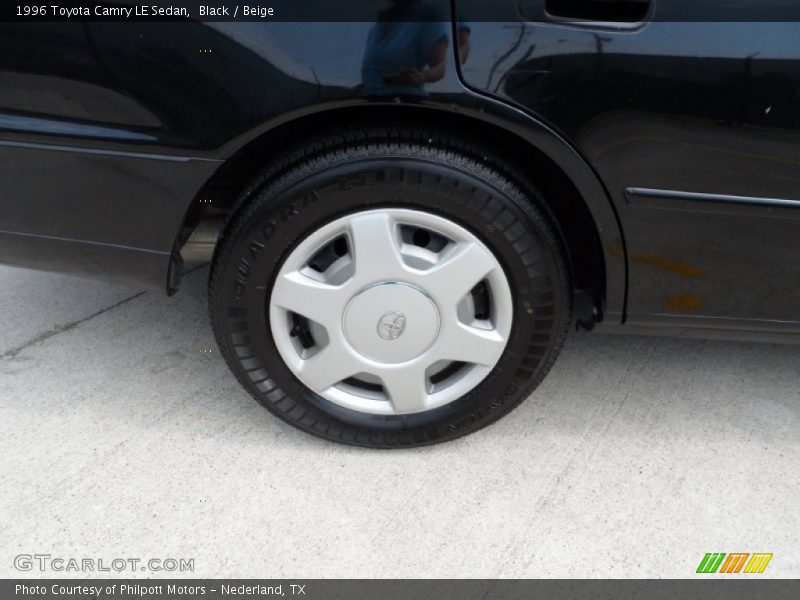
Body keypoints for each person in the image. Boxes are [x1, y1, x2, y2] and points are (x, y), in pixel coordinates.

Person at [360, 0, 449, 96]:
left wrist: (419, 76)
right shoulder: (375, 28)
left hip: (406, 100)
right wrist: (354, 90)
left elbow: (440, 67)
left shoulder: (427, 16)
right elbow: (375, 78)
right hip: (367, 100)